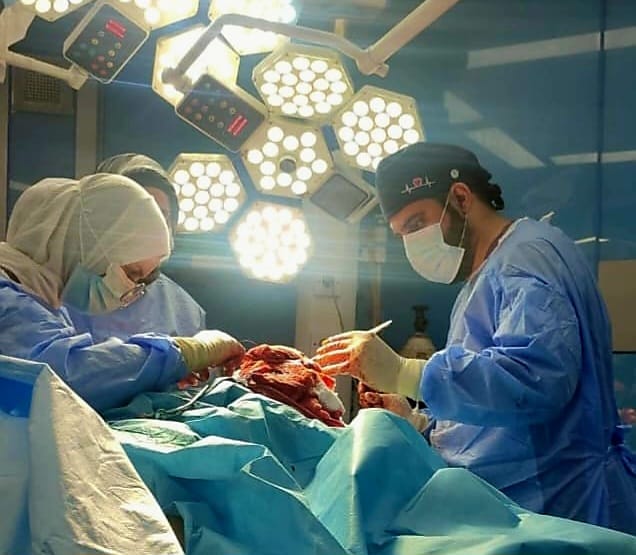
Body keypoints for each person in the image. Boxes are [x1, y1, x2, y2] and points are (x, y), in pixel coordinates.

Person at [315, 142, 636, 535]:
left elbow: (536, 380)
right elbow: (492, 415)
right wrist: (418, 421)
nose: (412, 243)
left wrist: (406, 373)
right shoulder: (482, 279)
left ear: (461, 198)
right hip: (515, 512)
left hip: (554, 509)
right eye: (401, 234)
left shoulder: (526, 258)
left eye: (416, 224)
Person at [0, 174, 244, 411]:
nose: (128, 292)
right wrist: (185, 352)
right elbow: (65, 379)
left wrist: (154, 380)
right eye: (131, 273)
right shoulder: (7, 298)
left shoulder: (42, 301)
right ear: (83, 246)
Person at [66, 154, 206, 341]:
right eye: (139, 216)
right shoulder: (57, 290)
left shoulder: (187, 314)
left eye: (161, 216)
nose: (151, 229)